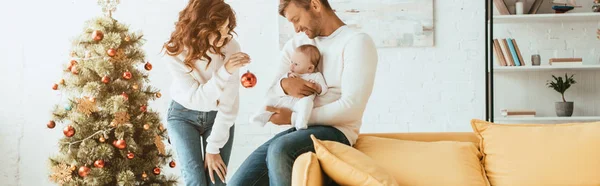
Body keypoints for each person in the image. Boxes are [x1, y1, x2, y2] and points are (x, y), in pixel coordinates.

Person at [228, 0, 378, 185]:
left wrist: (294, 117)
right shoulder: (297, 44)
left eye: (296, 19)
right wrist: (284, 85)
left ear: (315, 5)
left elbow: (351, 108)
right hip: (302, 129)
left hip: (338, 131)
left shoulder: (356, 42)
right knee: (238, 183)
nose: (296, 28)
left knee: (280, 149)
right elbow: (268, 96)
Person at [162, 0, 250, 185]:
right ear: (201, 28)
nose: (226, 34)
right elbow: (197, 99)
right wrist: (225, 71)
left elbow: (229, 104)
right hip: (183, 116)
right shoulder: (176, 51)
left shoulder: (231, 46)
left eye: (228, 27)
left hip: (219, 117)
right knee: (195, 181)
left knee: (216, 181)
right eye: (221, 29)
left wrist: (213, 148)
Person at [249, 44, 327, 130]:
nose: (291, 66)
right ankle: (260, 116)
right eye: (291, 62)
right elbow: (275, 88)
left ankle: (301, 122)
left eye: (296, 64)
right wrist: (288, 77)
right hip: (285, 101)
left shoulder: (315, 76)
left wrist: (317, 87)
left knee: (307, 102)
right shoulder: (290, 74)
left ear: (310, 68)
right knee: (270, 100)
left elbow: (324, 89)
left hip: (298, 105)